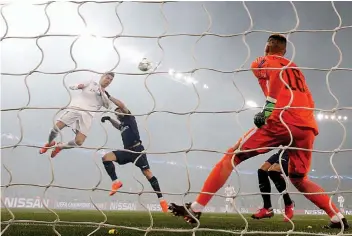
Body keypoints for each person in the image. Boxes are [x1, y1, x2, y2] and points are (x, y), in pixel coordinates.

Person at [168, 34, 349, 229]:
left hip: (281, 120)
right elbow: (309, 98)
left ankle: (196, 208)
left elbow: (275, 76)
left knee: (232, 155)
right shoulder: (296, 69)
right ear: (285, 50)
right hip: (306, 126)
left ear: (267, 47)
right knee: (299, 178)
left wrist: (268, 109)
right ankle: (336, 217)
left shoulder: (262, 61)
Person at [100, 99, 168, 213]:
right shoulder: (122, 125)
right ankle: (116, 182)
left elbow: (121, 105)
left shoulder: (130, 118)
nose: (117, 114)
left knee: (147, 173)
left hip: (137, 150)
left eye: (118, 111)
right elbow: (118, 126)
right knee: (106, 158)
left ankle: (162, 201)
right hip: (127, 151)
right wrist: (109, 119)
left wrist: (110, 97)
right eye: (115, 113)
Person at [39, 72, 114, 158]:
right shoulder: (91, 83)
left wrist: (102, 93)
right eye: (107, 78)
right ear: (102, 76)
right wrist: (78, 86)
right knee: (55, 128)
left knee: (79, 142)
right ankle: (49, 143)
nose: (108, 81)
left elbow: (108, 106)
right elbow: (72, 86)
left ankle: (59, 147)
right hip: (76, 109)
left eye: (111, 80)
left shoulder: (105, 95)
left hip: (87, 116)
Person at [252, 150, 294, 221]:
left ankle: (289, 204)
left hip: (291, 152)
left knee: (273, 171)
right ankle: (267, 208)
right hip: (281, 152)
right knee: (261, 171)